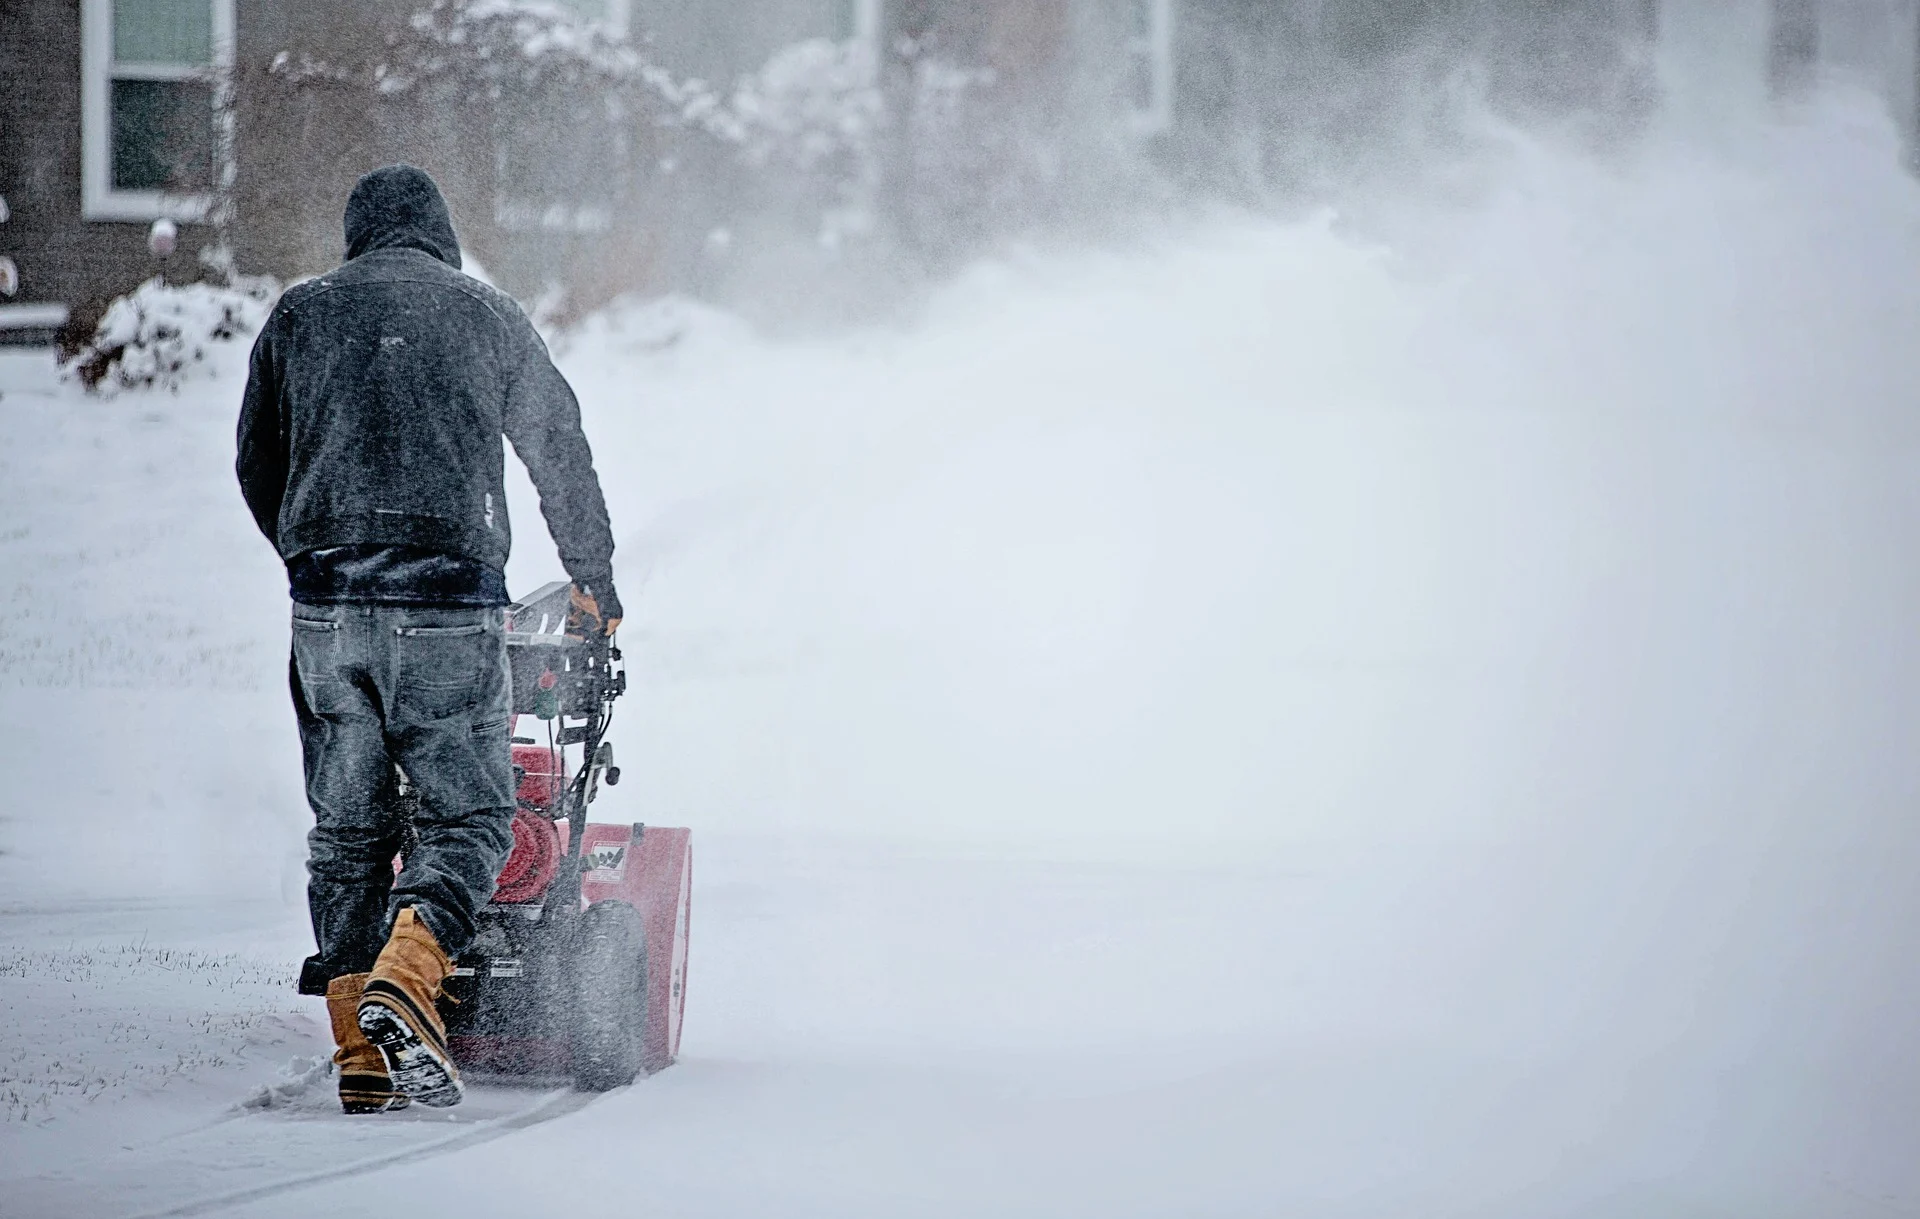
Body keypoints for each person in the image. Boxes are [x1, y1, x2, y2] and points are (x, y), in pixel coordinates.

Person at [237, 164, 621, 1112]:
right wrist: (593, 580)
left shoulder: (299, 315)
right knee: (470, 819)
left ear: (357, 235)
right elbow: (556, 442)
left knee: (350, 833)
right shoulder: (485, 314)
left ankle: (358, 1052)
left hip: (327, 607)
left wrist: (309, 550)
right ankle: (406, 983)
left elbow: (255, 459)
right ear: (440, 237)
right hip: (448, 604)